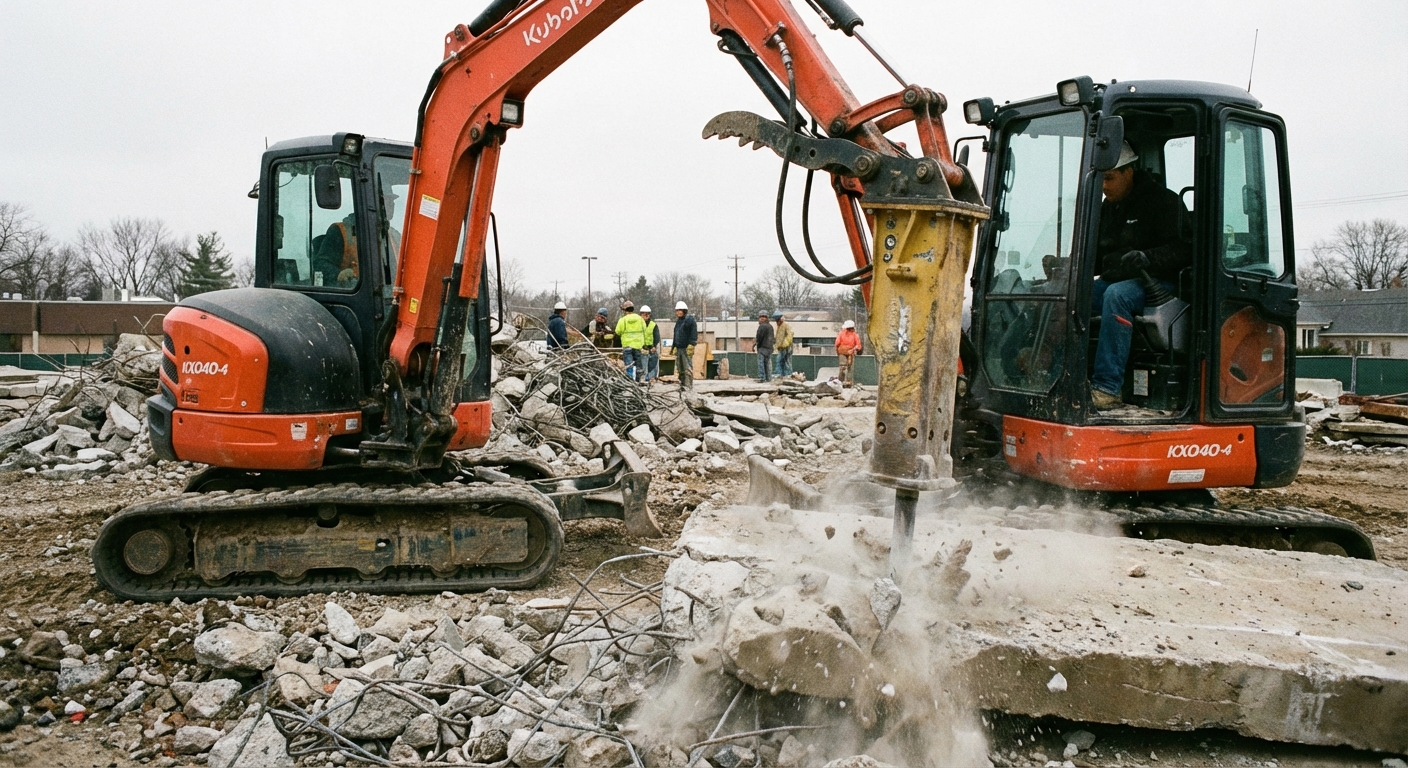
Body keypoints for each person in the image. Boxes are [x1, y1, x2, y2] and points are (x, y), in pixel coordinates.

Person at [1090, 140, 1192, 410]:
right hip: (1120, 278)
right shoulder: (1107, 208)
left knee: (1117, 295)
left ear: (1129, 172)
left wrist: (1149, 258)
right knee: (1074, 295)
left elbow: (1185, 248)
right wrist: (1065, 267)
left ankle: (1106, 388)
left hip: (1159, 281)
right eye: (1101, 179)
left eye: (1110, 178)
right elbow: (1097, 257)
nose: (1104, 186)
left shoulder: (1163, 202)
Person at [311, 211, 359, 288]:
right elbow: (321, 264)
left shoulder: (382, 237)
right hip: (348, 293)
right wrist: (339, 274)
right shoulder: (341, 232)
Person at [615, 301, 648, 381]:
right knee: (638, 365)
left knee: (629, 365)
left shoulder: (623, 320)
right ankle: (638, 380)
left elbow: (617, 331)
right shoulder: (640, 319)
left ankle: (630, 381)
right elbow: (644, 330)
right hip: (638, 346)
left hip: (627, 346)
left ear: (625, 310)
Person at [672, 301, 698, 390]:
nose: (678, 312)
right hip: (679, 347)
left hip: (686, 348)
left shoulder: (690, 320)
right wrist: (674, 346)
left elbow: (693, 333)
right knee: (680, 368)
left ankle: (688, 386)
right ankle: (682, 385)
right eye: (677, 310)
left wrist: (692, 344)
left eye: (680, 310)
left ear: (684, 311)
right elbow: (676, 334)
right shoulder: (679, 322)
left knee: (687, 368)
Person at [835, 319, 862, 386]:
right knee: (850, 368)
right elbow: (858, 346)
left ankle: (840, 382)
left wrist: (838, 351)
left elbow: (837, 343)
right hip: (850, 353)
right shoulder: (855, 335)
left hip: (843, 352)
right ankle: (849, 382)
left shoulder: (841, 333)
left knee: (843, 367)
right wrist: (852, 350)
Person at [640, 305, 661, 382]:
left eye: (647, 314)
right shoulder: (638, 325)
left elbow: (657, 336)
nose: (645, 316)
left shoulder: (653, 325)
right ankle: (644, 379)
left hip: (651, 348)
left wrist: (654, 346)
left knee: (653, 364)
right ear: (640, 315)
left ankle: (652, 379)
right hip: (642, 348)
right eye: (643, 314)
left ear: (649, 315)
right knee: (643, 366)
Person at [754, 311, 775, 382]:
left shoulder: (762, 326)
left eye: (761, 317)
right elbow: (772, 338)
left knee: (761, 364)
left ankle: (762, 378)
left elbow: (759, 338)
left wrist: (757, 345)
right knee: (768, 364)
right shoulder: (770, 327)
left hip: (762, 348)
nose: (761, 319)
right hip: (769, 348)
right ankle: (769, 378)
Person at [773, 312, 794, 377]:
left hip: (786, 347)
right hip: (782, 347)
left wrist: (784, 344)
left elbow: (790, 335)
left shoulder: (785, 325)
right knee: (783, 362)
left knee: (782, 361)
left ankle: (782, 374)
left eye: (777, 321)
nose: (777, 323)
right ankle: (783, 375)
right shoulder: (780, 326)